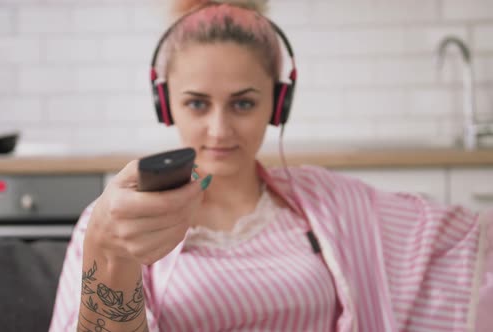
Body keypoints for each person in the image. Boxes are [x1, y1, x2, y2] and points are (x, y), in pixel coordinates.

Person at [49, 1, 493, 331]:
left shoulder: (327, 204)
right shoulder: (120, 221)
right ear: (165, 105)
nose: (219, 130)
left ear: (278, 104)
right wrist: (110, 254)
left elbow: (469, 247)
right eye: (197, 104)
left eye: (243, 103)